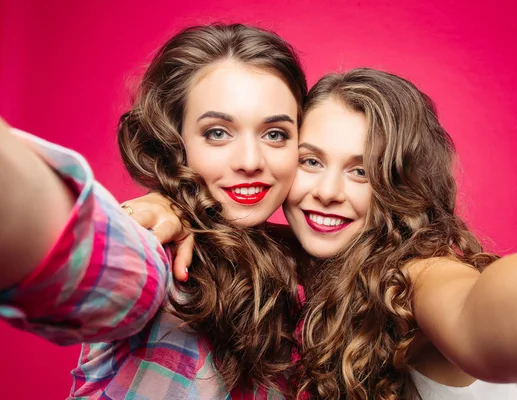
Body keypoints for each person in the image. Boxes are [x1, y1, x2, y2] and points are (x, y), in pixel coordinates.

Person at [129, 68, 517, 400]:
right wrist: (169, 204)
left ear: (402, 187)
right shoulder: (305, 267)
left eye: (362, 172)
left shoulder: (417, 275)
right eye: (311, 161)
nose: (327, 192)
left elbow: (475, 313)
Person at [0, 23, 307, 399]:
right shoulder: (163, 255)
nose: (250, 161)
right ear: (177, 142)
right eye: (217, 132)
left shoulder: (301, 278)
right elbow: (83, 257)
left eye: (274, 134)